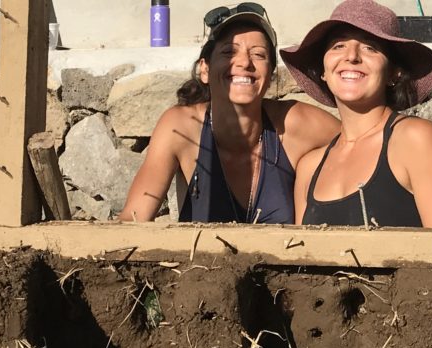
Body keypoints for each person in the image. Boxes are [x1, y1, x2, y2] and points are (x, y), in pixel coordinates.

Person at [119, 3, 340, 224]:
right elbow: (132, 219)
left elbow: (359, 140)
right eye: (229, 52)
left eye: (258, 54)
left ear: (270, 74)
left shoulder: (294, 123)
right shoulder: (181, 127)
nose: (244, 62)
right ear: (205, 69)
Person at [280, 0, 432, 228]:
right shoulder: (309, 168)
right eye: (338, 46)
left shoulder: (415, 140)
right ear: (322, 70)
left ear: (394, 73)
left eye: (370, 47)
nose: (352, 56)